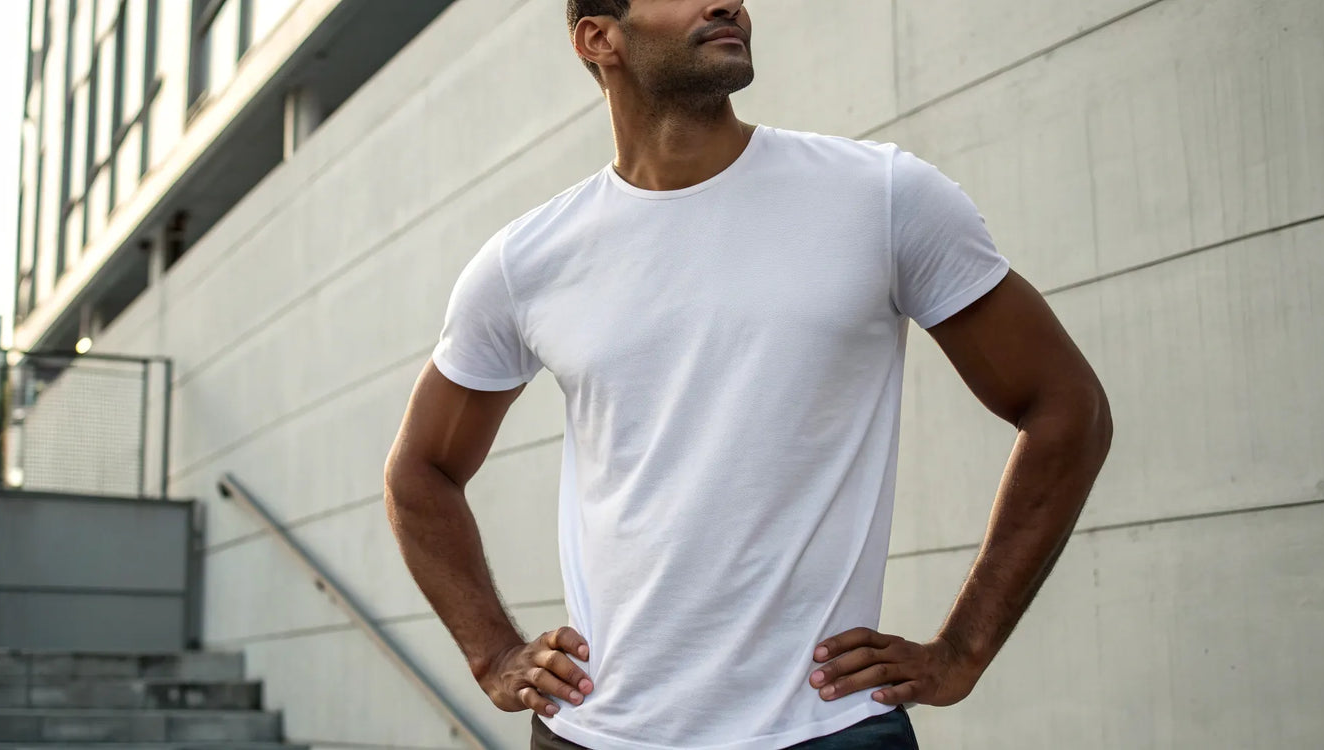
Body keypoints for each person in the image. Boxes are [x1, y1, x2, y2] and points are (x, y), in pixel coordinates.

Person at [383, 1, 1113, 748]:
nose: (729, 0)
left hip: (828, 729)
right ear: (599, 38)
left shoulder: (882, 198)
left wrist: (964, 649)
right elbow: (420, 471)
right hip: (596, 733)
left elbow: (1066, 407)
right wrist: (494, 653)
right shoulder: (527, 262)